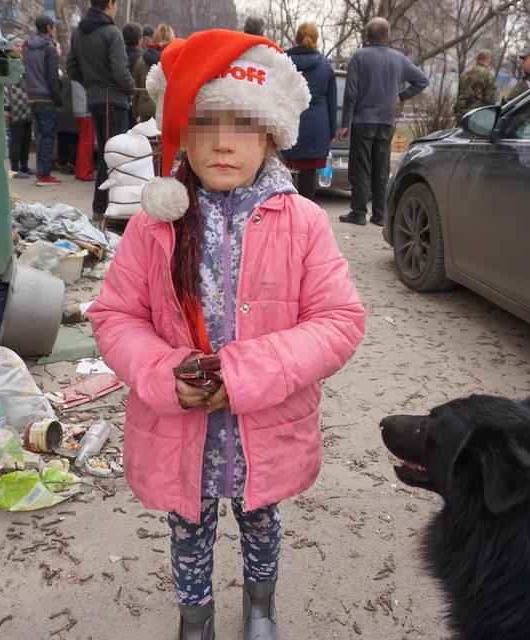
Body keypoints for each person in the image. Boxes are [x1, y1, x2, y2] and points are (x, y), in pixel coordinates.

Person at [87, 30, 365, 640]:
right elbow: (114, 316)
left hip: (265, 424)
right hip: (179, 427)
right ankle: (196, 618)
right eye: (204, 121)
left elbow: (339, 321)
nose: (220, 142)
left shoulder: (303, 223)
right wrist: (164, 374)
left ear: (271, 134)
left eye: (242, 122)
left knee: (261, 520)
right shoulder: (153, 226)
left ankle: (260, 609)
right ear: (180, 130)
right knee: (188, 529)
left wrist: (243, 375)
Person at [338, 17, 428, 226]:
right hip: (386, 123)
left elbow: (351, 94)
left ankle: (358, 213)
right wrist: (401, 95)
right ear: (388, 37)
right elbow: (422, 80)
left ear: (367, 36)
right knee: (381, 169)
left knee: (360, 168)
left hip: (362, 121)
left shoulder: (359, 57)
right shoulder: (399, 59)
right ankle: (379, 215)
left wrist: (345, 123)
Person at [66, 0, 136, 218]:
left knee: (107, 154)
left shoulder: (78, 33)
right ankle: (110, 209)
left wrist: (91, 83)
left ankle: (100, 208)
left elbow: (71, 68)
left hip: (95, 100)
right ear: (110, 3)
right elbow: (120, 71)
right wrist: (131, 89)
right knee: (117, 157)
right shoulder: (111, 32)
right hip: (114, 98)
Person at [283, 22, 337, 201]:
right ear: (316, 40)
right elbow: (331, 102)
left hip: (287, 125)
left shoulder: (282, 62)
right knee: (308, 179)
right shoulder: (325, 66)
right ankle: (305, 219)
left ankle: (283, 217)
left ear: (295, 38)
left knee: (283, 177)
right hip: (316, 129)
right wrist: (331, 133)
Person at [23, 14, 63, 186]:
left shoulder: (26, 46)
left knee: (40, 135)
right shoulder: (49, 48)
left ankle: (41, 170)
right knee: (47, 136)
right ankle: (44, 174)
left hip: (31, 95)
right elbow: (52, 77)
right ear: (48, 28)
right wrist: (58, 100)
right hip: (46, 97)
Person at [4, 37, 34, 178]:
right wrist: (6, 107)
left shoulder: (21, 62)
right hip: (15, 106)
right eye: (16, 46)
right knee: (17, 138)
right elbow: (4, 86)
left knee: (27, 137)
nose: (19, 49)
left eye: (21, 46)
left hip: (26, 105)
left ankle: (24, 166)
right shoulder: (7, 63)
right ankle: (14, 169)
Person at [133, 23, 174, 123]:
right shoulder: (176, 61)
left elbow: (135, 91)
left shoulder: (141, 61)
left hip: (145, 111)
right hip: (168, 112)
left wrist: (135, 114)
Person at [454, 48, 496, 124]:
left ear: (477, 59)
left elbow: (459, 93)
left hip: (461, 113)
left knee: (459, 135)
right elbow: (489, 100)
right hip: (476, 115)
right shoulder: (488, 76)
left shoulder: (464, 73)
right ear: (489, 59)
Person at [72, 80, 97, 181]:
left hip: (80, 107)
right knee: (88, 142)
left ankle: (80, 171)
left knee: (83, 141)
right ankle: (85, 173)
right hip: (86, 109)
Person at [56, 75, 80, 175]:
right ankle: (71, 164)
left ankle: (62, 163)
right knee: (74, 140)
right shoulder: (77, 78)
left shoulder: (61, 79)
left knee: (62, 139)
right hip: (75, 112)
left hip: (61, 112)